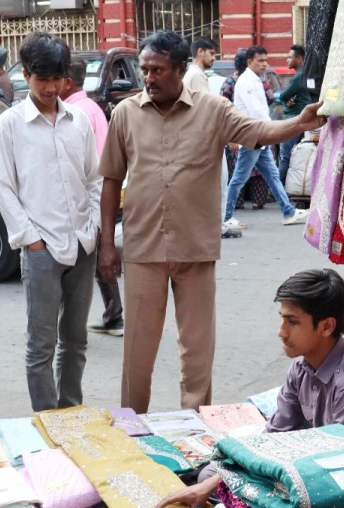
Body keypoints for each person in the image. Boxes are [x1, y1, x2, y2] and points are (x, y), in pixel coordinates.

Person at [98, 29, 324, 413]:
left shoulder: (213, 109)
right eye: (144, 70)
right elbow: (111, 179)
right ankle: (132, 427)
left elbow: (258, 131)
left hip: (195, 249)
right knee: (137, 351)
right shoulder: (125, 114)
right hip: (143, 247)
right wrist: (106, 244)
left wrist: (299, 123)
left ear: (180, 69)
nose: (148, 78)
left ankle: (194, 427)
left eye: (157, 70)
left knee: (197, 351)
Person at [156, 269, 344, 508]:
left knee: (235, 489)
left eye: (293, 322)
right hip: (310, 458)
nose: (281, 331)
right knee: (211, 475)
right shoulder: (301, 366)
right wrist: (214, 481)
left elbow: (332, 465)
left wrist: (226, 481)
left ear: (327, 326)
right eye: (282, 318)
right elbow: (275, 434)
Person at [0, 33, 100, 411]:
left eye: (58, 78)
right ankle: (47, 419)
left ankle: (71, 411)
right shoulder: (9, 125)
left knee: (76, 340)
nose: (52, 87)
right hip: (41, 248)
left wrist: (95, 228)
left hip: (83, 243)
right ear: (26, 75)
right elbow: (5, 188)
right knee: (41, 344)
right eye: (43, 79)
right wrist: (32, 240)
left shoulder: (80, 121)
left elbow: (94, 178)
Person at [61, 57, 121, 338]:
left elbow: (88, 162)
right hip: (100, 190)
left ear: (68, 82)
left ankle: (109, 316)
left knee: (90, 260)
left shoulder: (75, 112)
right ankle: (113, 314)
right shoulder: (90, 106)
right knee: (98, 258)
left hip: (91, 194)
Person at [223, 45, 307, 229]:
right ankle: (226, 216)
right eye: (260, 61)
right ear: (249, 62)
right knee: (239, 178)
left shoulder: (256, 79)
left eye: (265, 61)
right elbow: (256, 112)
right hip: (251, 135)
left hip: (260, 136)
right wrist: (274, 129)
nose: (264, 64)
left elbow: (262, 109)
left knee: (272, 175)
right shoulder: (246, 82)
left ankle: (288, 211)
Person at [275, 45, 314, 184]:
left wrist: (285, 100)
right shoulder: (305, 73)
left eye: (290, 57)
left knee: (285, 157)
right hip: (302, 119)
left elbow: (284, 95)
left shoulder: (299, 76)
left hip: (294, 120)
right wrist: (287, 102)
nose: (287, 60)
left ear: (298, 59)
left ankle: (278, 189)